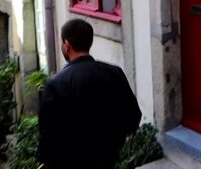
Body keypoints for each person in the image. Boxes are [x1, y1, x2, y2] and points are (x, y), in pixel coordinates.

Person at [39, 18, 142, 168]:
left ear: (67, 45)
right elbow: (133, 117)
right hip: (106, 159)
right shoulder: (114, 73)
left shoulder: (56, 84)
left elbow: (48, 137)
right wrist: (114, 141)